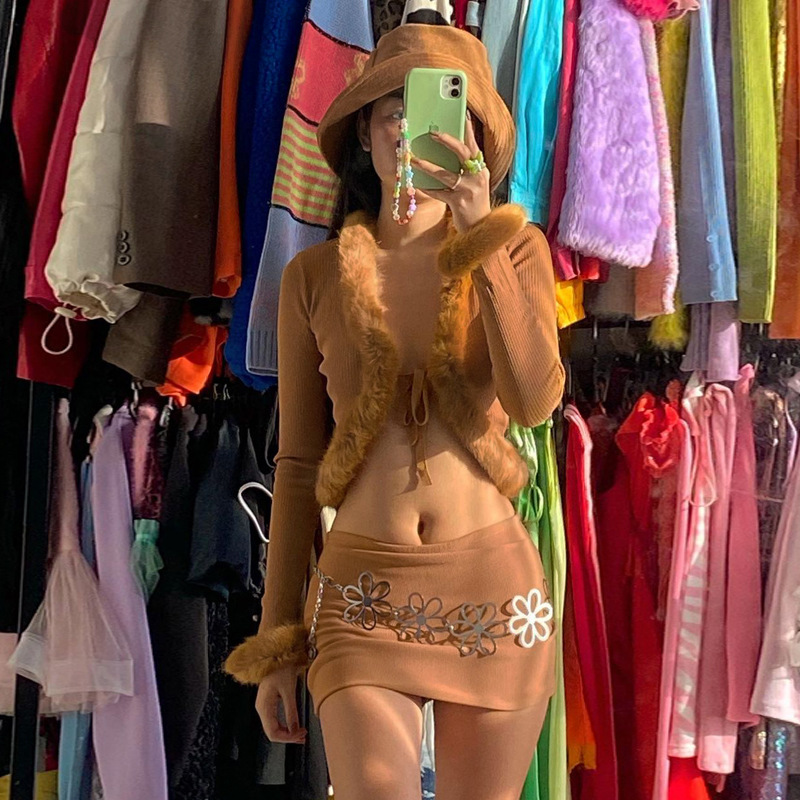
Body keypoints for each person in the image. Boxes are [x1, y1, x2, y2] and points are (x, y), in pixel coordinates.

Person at [225, 23, 564, 800]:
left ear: (474, 141)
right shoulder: (312, 276)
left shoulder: (517, 251)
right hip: (360, 596)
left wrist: (480, 235)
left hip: (493, 590)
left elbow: (533, 400)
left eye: (437, 112)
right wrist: (279, 640)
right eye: (393, 111)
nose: (411, 129)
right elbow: (297, 463)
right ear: (363, 134)